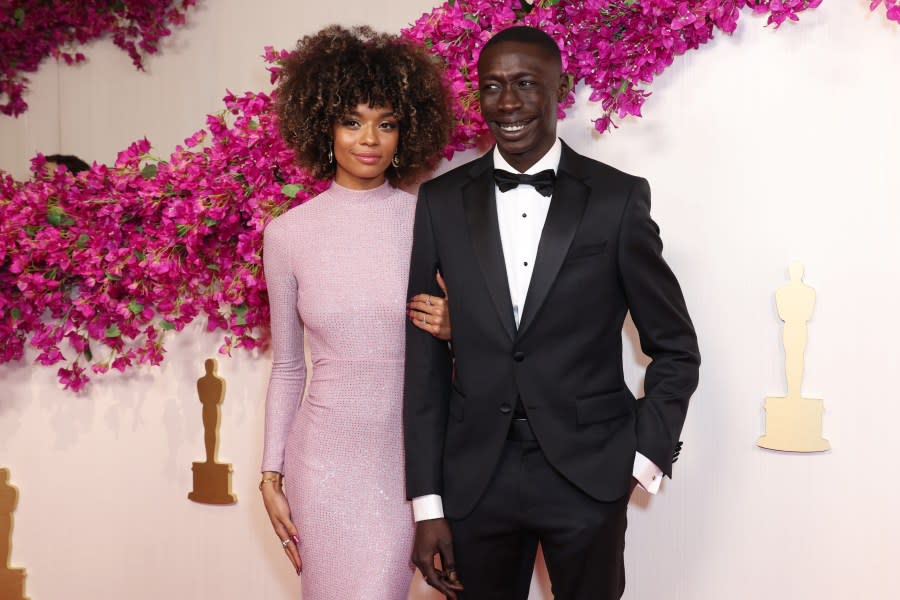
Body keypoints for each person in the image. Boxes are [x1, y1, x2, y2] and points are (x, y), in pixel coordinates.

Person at [404, 26, 701, 600]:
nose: (508, 103)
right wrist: (427, 504)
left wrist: (642, 456)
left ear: (560, 88)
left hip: (589, 477)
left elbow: (675, 346)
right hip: (474, 482)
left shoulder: (618, 198)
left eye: (525, 84)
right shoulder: (440, 202)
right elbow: (424, 368)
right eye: (492, 87)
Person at [259, 25, 454, 600]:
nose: (369, 138)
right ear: (324, 126)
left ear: (406, 131)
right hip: (322, 463)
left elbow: (491, 343)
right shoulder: (287, 234)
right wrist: (271, 473)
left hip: (408, 462)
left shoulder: (430, 222)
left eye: (386, 122)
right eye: (352, 120)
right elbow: (289, 366)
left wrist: (455, 327)